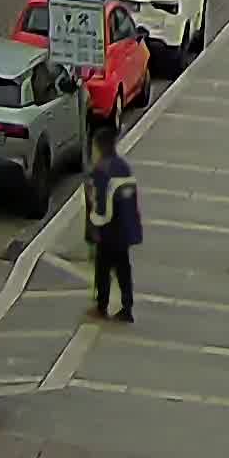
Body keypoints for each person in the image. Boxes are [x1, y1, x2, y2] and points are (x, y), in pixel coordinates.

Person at [85, 127, 142, 322]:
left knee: (103, 269)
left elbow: (100, 205)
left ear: (99, 148)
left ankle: (102, 306)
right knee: (123, 268)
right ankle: (127, 307)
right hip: (125, 228)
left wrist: (94, 229)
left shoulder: (101, 171)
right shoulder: (123, 167)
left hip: (109, 230)